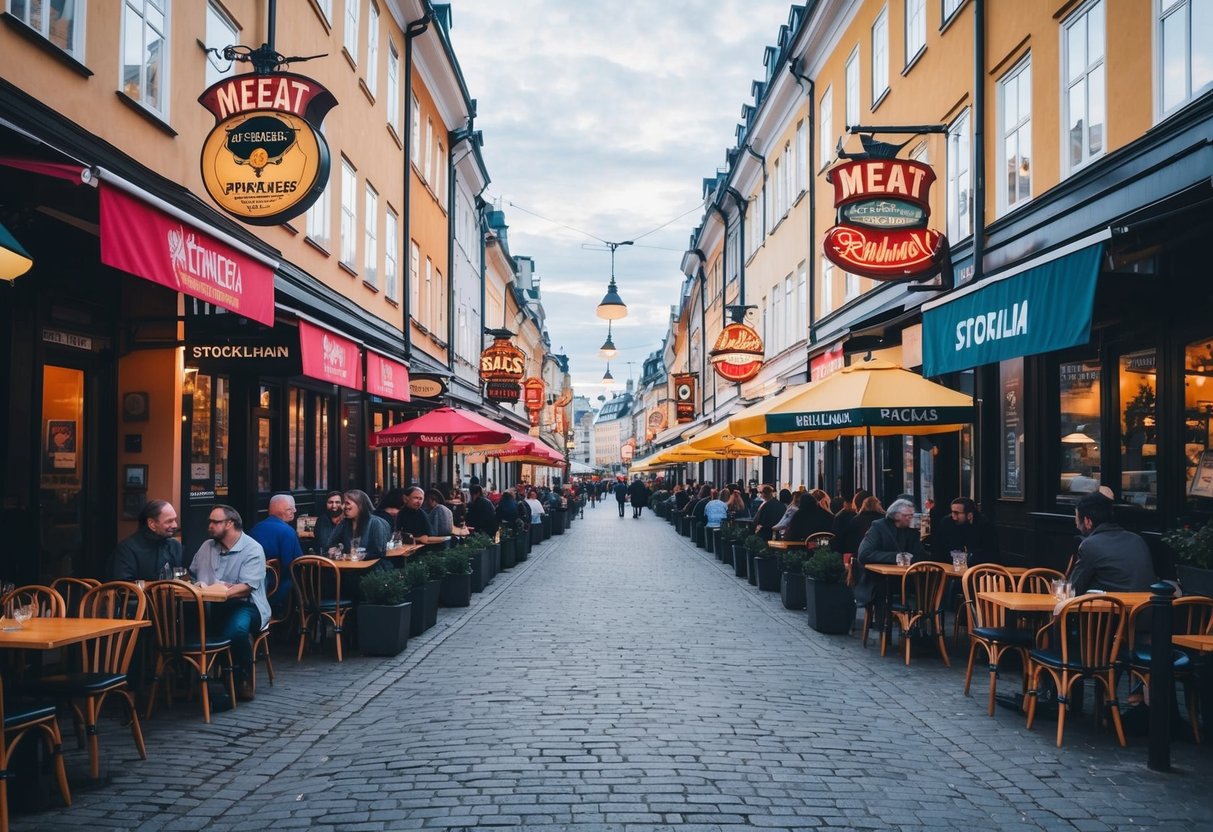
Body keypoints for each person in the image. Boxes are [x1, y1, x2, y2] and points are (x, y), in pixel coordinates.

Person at [189, 505, 269, 702]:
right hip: (209, 604)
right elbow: (191, 574)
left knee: (236, 630)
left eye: (215, 522)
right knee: (182, 626)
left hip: (245, 605)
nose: (209, 526)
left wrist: (221, 593)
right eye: (210, 521)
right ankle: (186, 680)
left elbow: (247, 587)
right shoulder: (206, 547)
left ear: (230, 524)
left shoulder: (252, 548)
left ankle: (242, 676)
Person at [1069, 492, 1156, 594]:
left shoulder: (1090, 545)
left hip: (1117, 608)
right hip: (1145, 607)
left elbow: (1074, 589)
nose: (1076, 525)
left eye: (1076, 519)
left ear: (1088, 521)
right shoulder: (1137, 540)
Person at [854, 498, 927, 607]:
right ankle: (882, 622)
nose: (910, 519)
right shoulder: (878, 527)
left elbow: (921, 556)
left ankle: (920, 618)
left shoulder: (912, 532)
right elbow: (864, 554)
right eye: (907, 516)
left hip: (907, 581)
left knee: (928, 584)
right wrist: (896, 557)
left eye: (912, 515)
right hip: (880, 580)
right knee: (882, 586)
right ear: (897, 515)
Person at [110, 499, 184, 581]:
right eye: (169, 521)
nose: (175, 525)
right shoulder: (127, 550)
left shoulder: (175, 546)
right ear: (152, 524)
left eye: (175, 520)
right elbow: (122, 587)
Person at [248, 494, 303, 604]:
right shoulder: (287, 531)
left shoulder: (255, 529)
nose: (295, 511)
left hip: (252, 585)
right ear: (280, 511)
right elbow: (296, 563)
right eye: (290, 508)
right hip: (275, 588)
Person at [932, 497, 1000, 565]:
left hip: (977, 567)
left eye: (956, 513)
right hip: (951, 565)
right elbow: (939, 548)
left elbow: (991, 553)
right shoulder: (947, 522)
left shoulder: (985, 525)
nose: (954, 517)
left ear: (969, 515)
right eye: (952, 512)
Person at [332, 490, 393, 559]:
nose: (343, 507)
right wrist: (335, 549)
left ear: (360, 505)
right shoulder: (344, 523)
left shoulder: (375, 523)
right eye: (343, 504)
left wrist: (357, 556)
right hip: (348, 566)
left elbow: (378, 552)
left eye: (347, 503)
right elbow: (331, 543)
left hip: (372, 567)